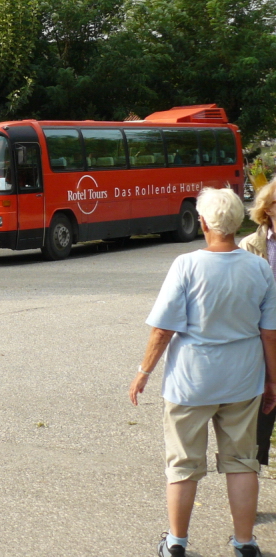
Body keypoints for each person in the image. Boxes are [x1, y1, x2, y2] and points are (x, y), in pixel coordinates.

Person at [129, 188, 276, 557]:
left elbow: (163, 329)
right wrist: (273, 379)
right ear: (236, 222)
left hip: (191, 381)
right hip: (243, 379)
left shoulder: (186, 264)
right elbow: (269, 332)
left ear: (204, 222)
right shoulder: (259, 267)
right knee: (242, 462)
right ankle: (245, 543)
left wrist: (144, 371)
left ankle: (176, 542)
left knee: (183, 463)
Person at [240, 179, 276, 465]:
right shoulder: (250, 245)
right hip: (263, 336)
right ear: (266, 209)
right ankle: (250, 474)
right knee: (261, 411)